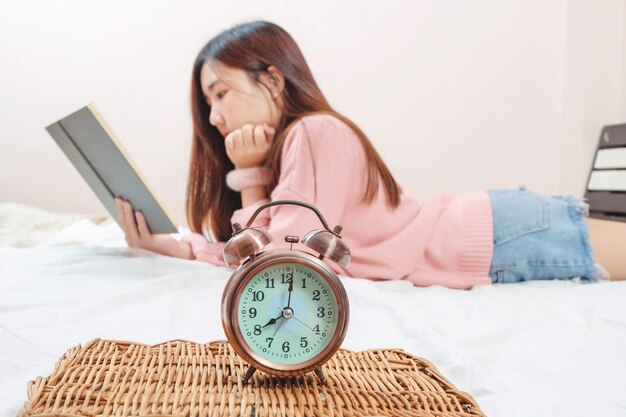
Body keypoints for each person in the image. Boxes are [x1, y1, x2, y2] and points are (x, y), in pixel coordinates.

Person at [115, 21, 626, 289]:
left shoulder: (315, 132)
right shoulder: (299, 144)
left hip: (500, 234)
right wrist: (181, 246)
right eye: (207, 104)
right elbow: (267, 249)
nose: (213, 117)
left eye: (220, 93)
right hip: (495, 235)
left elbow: (281, 261)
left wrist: (248, 179)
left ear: (271, 78)